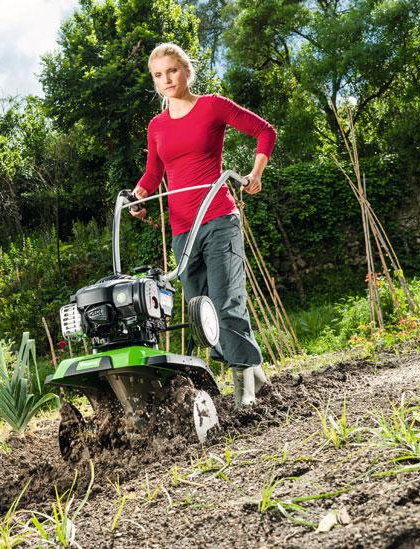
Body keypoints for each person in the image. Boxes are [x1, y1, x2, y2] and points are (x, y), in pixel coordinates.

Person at [132, 43, 276, 408]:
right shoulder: (157, 125)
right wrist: (138, 196)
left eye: (172, 71)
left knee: (227, 303)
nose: (166, 80)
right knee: (201, 311)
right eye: (158, 75)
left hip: (218, 218)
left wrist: (254, 174)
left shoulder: (212, 106)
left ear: (186, 71)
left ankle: (243, 390)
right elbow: (154, 173)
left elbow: (265, 132)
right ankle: (255, 374)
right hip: (183, 230)